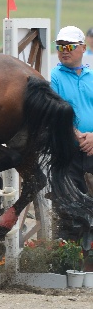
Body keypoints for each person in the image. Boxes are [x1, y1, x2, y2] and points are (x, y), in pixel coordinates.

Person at [50, 26, 93, 195]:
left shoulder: (91, 76)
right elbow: (54, 114)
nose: (64, 51)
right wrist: (75, 133)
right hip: (67, 151)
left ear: (83, 48)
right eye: (60, 47)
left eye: (69, 46)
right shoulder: (54, 77)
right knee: (71, 206)